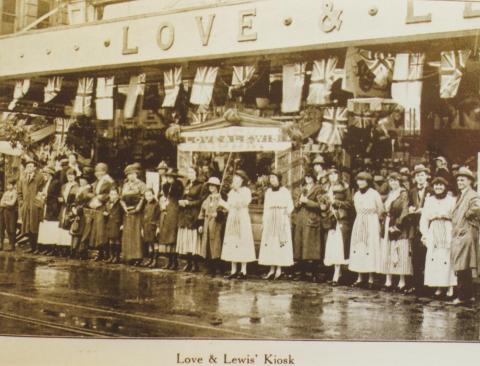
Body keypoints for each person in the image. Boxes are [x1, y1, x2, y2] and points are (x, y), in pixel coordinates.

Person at [419, 176, 457, 299]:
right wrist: (424, 233)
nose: (438, 187)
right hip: (434, 229)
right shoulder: (429, 200)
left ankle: (450, 287)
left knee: (447, 257)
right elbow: (424, 218)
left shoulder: (452, 200)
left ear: (445, 187)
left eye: (441, 185)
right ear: (433, 187)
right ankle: (439, 287)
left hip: (447, 228)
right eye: (436, 185)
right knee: (435, 257)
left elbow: (455, 217)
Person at [378, 172, 412, 293]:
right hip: (388, 222)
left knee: (399, 250)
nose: (393, 183)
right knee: (387, 249)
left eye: (395, 181)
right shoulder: (390, 194)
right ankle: (388, 280)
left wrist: (398, 224)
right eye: (391, 181)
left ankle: (401, 281)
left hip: (398, 224)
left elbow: (404, 210)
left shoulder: (403, 194)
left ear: (400, 181)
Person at [450, 167, 480, 305]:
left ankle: (462, 296)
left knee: (462, 265)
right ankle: (468, 295)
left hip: (466, 233)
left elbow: (477, 207)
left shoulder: (472, 195)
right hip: (461, 233)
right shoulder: (462, 195)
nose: (460, 182)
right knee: (464, 265)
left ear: (469, 181)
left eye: (463, 179)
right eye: (458, 180)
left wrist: (468, 214)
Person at [349, 171, 384, 289]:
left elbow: (380, 210)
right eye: (359, 180)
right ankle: (359, 277)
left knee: (370, 247)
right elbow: (356, 209)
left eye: (363, 180)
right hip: (359, 221)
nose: (360, 182)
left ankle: (371, 278)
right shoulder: (357, 195)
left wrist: (374, 220)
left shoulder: (374, 194)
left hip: (372, 222)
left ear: (368, 181)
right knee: (359, 247)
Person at [220, 170, 256, 279]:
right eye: (234, 180)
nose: (235, 182)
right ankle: (233, 269)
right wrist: (221, 201)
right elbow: (230, 206)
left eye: (238, 180)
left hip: (242, 218)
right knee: (232, 241)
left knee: (242, 241)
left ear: (242, 181)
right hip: (232, 218)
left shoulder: (246, 191)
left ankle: (243, 270)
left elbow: (244, 202)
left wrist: (238, 192)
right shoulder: (231, 192)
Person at [258, 172, 294, 280]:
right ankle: (271, 269)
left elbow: (290, 206)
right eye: (270, 178)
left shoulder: (285, 191)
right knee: (271, 244)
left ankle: (279, 269)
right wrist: (264, 222)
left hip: (281, 219)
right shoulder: (268, 192)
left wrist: (285, 214)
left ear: (279, 179)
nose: (272, 180)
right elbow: (266, 207)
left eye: (274, 178)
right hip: (270, 219)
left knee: (280, 243)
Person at [405, 164, 432, 296]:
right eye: (417, 176)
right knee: (416, 257)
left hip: (428, 227)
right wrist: (410, 208)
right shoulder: (412, 191)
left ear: (427, 176)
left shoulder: (432, 190)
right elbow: (409, 204)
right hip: (415, 227)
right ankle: (417, 286)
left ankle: (428, 286)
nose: (420, 178)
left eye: (422, 175)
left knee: (428, 256)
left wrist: (425, 210)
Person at [293, 169, 324, 282]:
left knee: (311, 248)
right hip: (301, 219)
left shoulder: (318, 189)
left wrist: (307, 202)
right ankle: (301, 272)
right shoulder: (302, 189)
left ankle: (312, 273)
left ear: (314, 178)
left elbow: (321, 205)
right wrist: (300, 202)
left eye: (310, 177)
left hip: (312, 219)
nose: (308, 179)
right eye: (306, 177)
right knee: (300, 246)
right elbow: (296, 205)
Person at [323, 169, 353, 285]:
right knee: (331, 245)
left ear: (338, 175)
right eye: (330, 174)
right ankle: (336, 272)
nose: (332, 176)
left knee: (339, 245)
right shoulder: (326, 188)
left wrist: (336, 202)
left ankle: (337, 273)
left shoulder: (345, 187)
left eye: (335, 174)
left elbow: (349, 203)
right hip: (330, 219)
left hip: (340, 218)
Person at [176, 167, 204, 272]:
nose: (190, 174)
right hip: (184, 215)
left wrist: (188, 203)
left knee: (192, 241)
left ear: (196, 174)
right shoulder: (187, 185)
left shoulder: (200, 186)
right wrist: (182, 201)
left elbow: (201, 201)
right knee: (185, 240)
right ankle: (188, 263)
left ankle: (195, 264)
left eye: (192, 172)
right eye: (189, 172)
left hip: (193, 215)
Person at [198, 176, 226, 277]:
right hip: (206, 224)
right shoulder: (207, 198)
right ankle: (209, 268)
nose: (211, 187)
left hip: (216, 225)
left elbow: (224, 210)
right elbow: (202, 211)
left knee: (216, 246)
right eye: (210, 185)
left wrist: (218, 214)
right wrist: (200, 224)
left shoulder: (220, 198)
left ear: (217, 187)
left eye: (213, 185)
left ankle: (218, 268)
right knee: (207, 246)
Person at [86, 162, 114, 261]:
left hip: (104, 208)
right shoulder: (98, 181)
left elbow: (110, 194)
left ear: (105, 172)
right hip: (97, 208)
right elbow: (92, 190)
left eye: (100, 172)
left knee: (102, 231)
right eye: (97, 172)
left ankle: (105, 253)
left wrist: (100, 198)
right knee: (96, 231)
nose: (98, 174)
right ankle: (100, 252)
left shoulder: (109, 181)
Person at [120, 163, 146, 266]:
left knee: (136, 234)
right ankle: (128, 256)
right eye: (128, 175)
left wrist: (138, 208)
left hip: (137, 212)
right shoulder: (125, 185)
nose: (130, 176)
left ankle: (137, 257)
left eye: (132, 174)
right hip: (127, 212)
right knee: (128, 234)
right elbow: (121, 198)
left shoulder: (141, 185)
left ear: (136, 174)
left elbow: (144, 197)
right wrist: (124, 207)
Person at [158, 168, 183, 270]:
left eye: (170, 177)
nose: (168, 178)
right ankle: (169, 261)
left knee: (173, 235)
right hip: (167, 210)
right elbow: (164, 196)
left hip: (175, 210)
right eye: (167, 176)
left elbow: (178, 198)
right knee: (166, 234)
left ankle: (174, 261)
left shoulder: (178, 186)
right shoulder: (165, 186)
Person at [18, 159, 44, 254]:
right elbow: (19, 192)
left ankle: (37, 247)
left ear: (35, 168)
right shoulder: (23, 178)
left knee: (35, 227)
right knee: (27, 227)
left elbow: (42, 192)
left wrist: (38, 204)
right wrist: (21, 202)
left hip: (34, 206)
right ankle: (32, 247)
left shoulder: (39, 177)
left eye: (31, 166)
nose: (29, 168)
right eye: (28, 166)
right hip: (26, 205)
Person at [37, 165, 61, 256]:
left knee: (51, 227)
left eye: (46, 173)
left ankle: (52, 248)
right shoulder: (45, 182)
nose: (45, 175)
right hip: (45, 206)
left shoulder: (56, 182)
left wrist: (46, 196)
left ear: (51, 174)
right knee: (45, 226)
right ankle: (46, 247)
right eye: (44, 173)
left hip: (52, 207)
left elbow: (56, 196)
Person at [70, 171, 93, 260]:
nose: (82, 181)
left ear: (87, 181)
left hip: (84, 213)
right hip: (77, 212)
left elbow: (86, 202)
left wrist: (78, 210)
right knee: (76, 230)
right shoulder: (79, 189)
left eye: (84, 180)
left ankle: (81, 252)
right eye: (81, 179)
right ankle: (74, 250)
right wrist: (73, 208)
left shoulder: (88, 189)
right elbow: (74, 201)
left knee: (83, 233)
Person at [57, 168, 79, 256]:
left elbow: (77, 199)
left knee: (69, 227)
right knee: (62, 227)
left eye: (72, 175)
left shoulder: (76, 186)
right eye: (68, 175)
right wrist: (61, 199)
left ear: (75, 176)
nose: (70, 177)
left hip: (71, 208)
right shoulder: (64, 186)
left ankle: (69, 249)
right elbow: (61, 195)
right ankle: (62, 248)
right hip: (64, 207)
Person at [103, 187, 123, 264]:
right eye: (111, 194)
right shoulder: (107, 204)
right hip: (109, 223)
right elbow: (105, 212)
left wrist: (122, 224)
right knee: (111, 239)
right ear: (109, 195)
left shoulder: (120, 203)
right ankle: (112, 256)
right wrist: (105, 214)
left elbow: (123, 214)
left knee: (117, 240)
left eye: (115, 194)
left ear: (118, 195)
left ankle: (116, 257)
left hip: (117, 223)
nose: (113, 196)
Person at [142, 188, 160, 268]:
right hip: (146, 226)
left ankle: (155, 260)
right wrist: (142, 228)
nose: (148, 197)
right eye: (146, 196)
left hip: (153, 227)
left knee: (155, 243)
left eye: (150, 195)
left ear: (153, 195)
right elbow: (144, 217)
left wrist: (158, 227)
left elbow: (159, 217)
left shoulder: (156, 205)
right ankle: (150, 259)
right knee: (149, 243)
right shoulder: (146, 205)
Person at [0, 179, 18, 251]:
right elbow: (1, 203)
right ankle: (8, 244)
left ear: (13, 186)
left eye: (10, 185)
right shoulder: (6, 193)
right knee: (7, 228)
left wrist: (5, 203)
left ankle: (12, 245)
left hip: (12, 212)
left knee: (12, 228)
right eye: (7, 185)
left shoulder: (15, 192)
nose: (8, 186)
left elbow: (12, 203)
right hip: (6, 211)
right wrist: (7, 203)